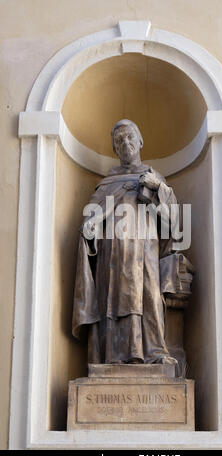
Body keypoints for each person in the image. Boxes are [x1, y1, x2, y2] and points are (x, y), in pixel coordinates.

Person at [72, 119, 179, 365]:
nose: (126, 143)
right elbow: (94, 218)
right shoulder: (107, 184)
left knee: (149, 295)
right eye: (119, 141)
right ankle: (112, 356)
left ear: (140, 141)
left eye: (130, 137)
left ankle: (154, 352)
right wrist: (91, 227)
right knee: (111, 298)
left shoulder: (153, 177)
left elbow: (172, 221)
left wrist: (158, 189)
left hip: (145, 248)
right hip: (112, 254)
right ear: (115, 150)